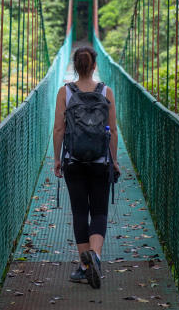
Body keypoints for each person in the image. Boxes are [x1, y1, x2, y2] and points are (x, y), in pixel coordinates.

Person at [53, 46, 120, 289]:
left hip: (74, 161)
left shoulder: (65, 92)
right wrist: (114, 160)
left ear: (75, 65)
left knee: (80, 212)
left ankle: (85, 267)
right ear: (94, 67)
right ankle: (96, 256)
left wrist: (57, 158)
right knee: (99, 211)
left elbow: (59, 129)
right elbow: (112, 131)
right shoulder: (106, 91)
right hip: (101, 162)